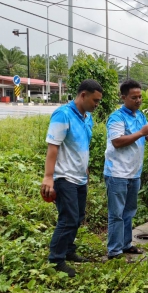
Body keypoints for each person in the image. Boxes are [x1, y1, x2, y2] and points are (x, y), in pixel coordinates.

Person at [103, 79, 148, 260]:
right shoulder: (117, 117)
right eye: (134, 97)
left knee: (129, 212)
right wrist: (142, 132)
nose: (139, 100)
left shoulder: (139, 116)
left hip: (134, 173)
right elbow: (117, 142)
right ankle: (114, 250)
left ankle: (126, 244)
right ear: (123, 97)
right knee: (116, 214)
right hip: (117, 173)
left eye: (140, 97)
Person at [41, 79, 103, 277]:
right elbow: (53, 148)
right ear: (83, 95)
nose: (97, 104)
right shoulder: (63, 114)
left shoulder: (87, 117)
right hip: (64, 176)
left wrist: (85, 169)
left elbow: (81, 146)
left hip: (79, 176)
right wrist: (48, 178)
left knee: (77, 217)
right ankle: (56, 259)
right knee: (68, 219)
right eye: (95, 100)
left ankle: (68, 250)